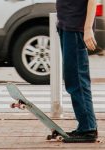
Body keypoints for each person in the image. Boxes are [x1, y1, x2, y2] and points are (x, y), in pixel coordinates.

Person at [56, 0, 98, 143]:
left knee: (78, 79)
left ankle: (88, 129)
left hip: (76, 28)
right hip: (66, 25)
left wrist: (87, 28)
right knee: (72, 78)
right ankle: (84, 126)